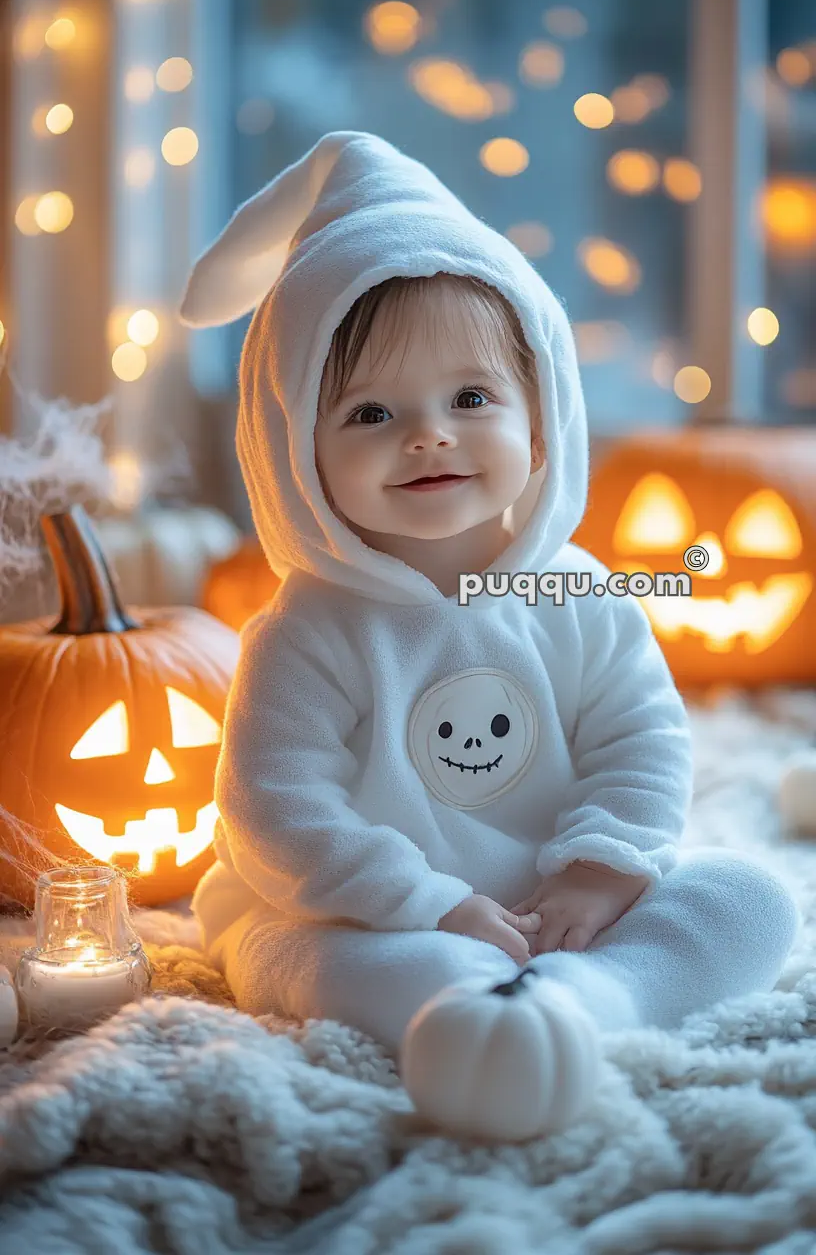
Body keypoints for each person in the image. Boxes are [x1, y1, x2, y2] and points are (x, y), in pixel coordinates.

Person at [179, 132, 800, 1141]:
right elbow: (278, 809)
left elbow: (639, 737)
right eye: (372, 411)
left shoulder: (579, 594)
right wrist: (431, 903)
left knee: (749, 897)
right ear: (295, 450)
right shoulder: (308, 632)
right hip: (375, 910)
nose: (428, 436)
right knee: (300, 945)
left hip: (563, 894)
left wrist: (600, 868)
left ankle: (591, 1003)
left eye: (471, 398)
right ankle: (461, 1016)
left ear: (542, 417)